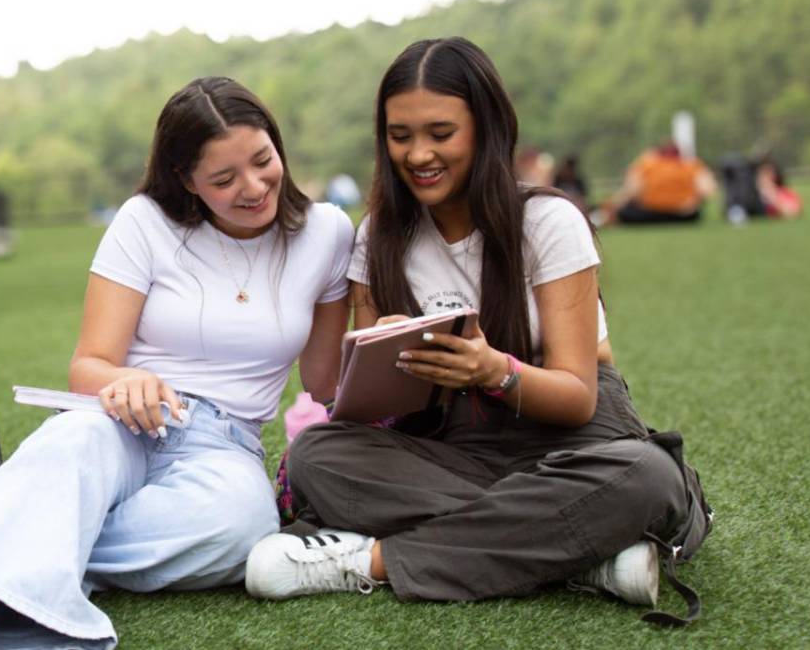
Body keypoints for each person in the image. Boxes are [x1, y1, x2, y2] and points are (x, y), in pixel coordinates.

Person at [244, 38, 710, 623]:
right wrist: (378, 363)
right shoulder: (379, 238)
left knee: (646, 477)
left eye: (441, 134)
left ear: (486, 128)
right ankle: (581, 554)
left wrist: (496, 370)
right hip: (450, 450)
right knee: (319, 456)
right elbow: (362, 418)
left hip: (571, 443)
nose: (418, 155)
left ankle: (371, 562)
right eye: (400, 135)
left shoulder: (548, 222)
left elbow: (577, 397)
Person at [0, 77, 354, 649]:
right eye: (224, 179)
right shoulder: (144, 222)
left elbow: (323, 381)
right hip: (125, 417)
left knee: (242, 527)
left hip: (226, 444)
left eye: (263, 161)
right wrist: (128, 380)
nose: (254, 187)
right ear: (186, 179)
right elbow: (89, 365)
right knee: (71, 445)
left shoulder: (327, 232)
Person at [606, 140, 717, 224]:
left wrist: (614, 205)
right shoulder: (691, 165)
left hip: (649, 213)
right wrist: (693, 202)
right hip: (683, 215)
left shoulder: (647, 164)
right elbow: (707, 189)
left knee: (626, 212)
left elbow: (633, 190)